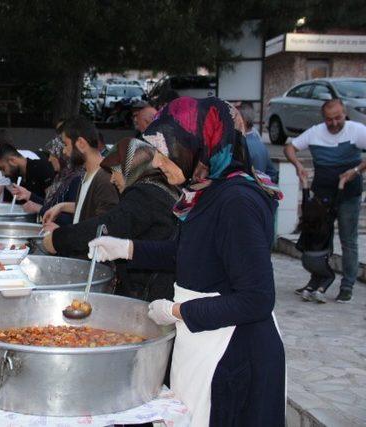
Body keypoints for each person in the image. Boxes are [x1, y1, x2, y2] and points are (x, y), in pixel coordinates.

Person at [89, 97, 286, 426]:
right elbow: (189, 255)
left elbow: (257, 299)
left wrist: (177, 311)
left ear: (200, 144)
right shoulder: (208, 189)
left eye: (166, 157)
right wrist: (126, 248)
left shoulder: (237, 200)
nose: (160, 167)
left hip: (234, 353)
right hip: (206, 340)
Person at [44, 138, 178, 300]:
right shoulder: (159, 188)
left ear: (130, 168)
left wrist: (57, 239)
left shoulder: (146, 194)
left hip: (152, 294)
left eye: (114, 171)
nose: (112, 179)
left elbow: (107, 226)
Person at [284, 99, 366, 303]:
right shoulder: (315, 132)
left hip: (349, 194)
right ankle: (317, 278)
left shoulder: (357, 130)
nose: (334, 123)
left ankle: (347, 285)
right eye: (329, 119)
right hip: (322, 195)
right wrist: (298, 165)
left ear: (344, 113)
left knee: (348, 239)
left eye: (338, 117)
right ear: (323, 119)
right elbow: (290, 148)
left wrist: (356, 171)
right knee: (318, 238)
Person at [42, 116, 119, 232]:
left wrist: (63, 234)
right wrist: (61, 206)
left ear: (81, 144)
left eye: (66, 145)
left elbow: (103, 229)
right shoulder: (87, 173)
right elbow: (88, 208)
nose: (64, 151)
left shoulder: (105, 178)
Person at [11, 136, 83, 225]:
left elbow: (72, 219)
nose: (49, 159)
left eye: (52, 155)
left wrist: (39, 209)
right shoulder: (61, 177)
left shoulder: (76, 179)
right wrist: (29, 195)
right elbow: (51, 204)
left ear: (61, 156)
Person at [238, 102, 278, 182]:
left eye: (234, 118)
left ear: (243, 121)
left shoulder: (241, 145)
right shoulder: (259, 143)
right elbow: (272, 174)